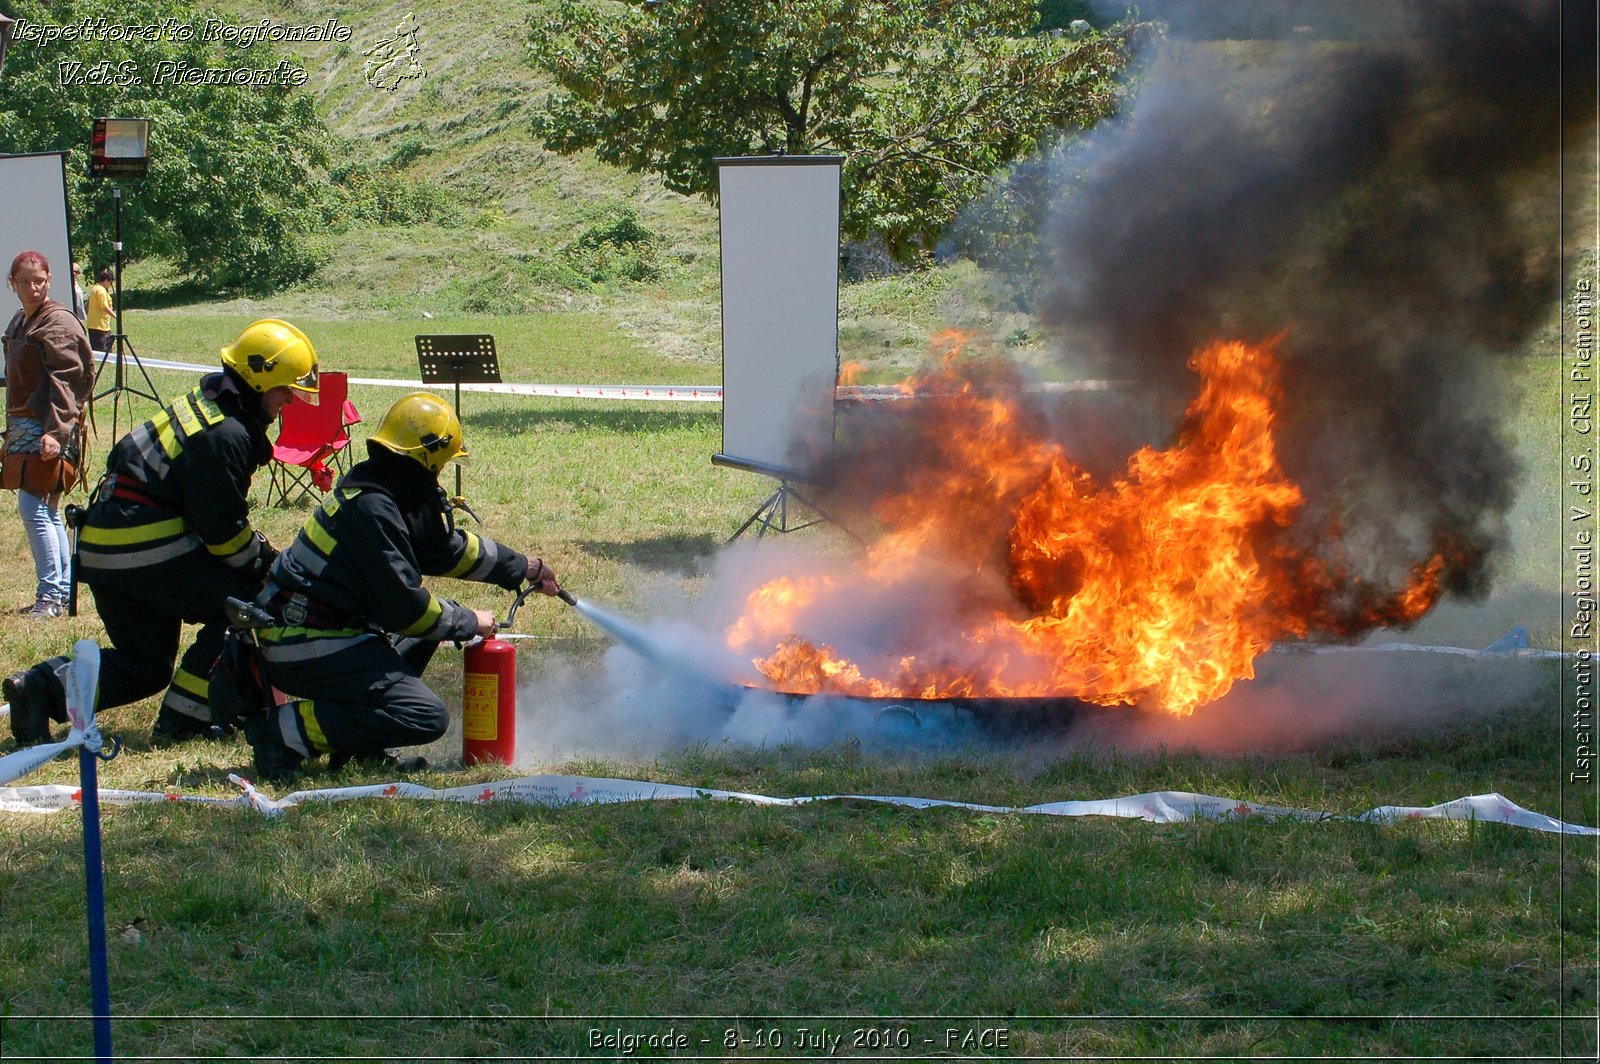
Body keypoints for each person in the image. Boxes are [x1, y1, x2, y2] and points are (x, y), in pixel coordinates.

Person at [3, 319, 319, 746]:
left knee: (145, 666)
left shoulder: (210, 404)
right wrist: (271, 565)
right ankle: (186, 719)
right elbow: (223, 534)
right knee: (250, 600)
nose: (291, 400)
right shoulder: (224, 433)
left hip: (106, 551)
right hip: (144, 551)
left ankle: (39, 688)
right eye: (285, 389)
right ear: (261, 380)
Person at [239, 391, 561, 780]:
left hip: (324, 630)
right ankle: (281, 732)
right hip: (301, 639)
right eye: (440, 465)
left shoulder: (387, 490)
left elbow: (445, 550)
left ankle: (360, 749)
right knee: (423, 715)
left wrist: (524, 568)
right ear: (424, 460)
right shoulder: (374, 510)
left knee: (433, 625)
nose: (441, 475)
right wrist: (467, 620)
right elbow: (405, 608)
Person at [3, 251, 94, 619]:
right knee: (48, 509)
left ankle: (50, 596)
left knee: (33, 508)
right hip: (28, 425)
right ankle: (60, 592)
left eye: (38, 280)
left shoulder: (58, 321)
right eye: (24, 281)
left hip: (49, 427)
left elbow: (70, 380)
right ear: (12, 283)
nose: (32, 287)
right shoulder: (23, 319)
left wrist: (56, 431)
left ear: (49, 279)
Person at [85, 267, 115, 356]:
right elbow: (105, 307)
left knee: (102, 347)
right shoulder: (101, 290)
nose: (110, 284)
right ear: (106, 280)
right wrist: (116, 316)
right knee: (102, 350)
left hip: (96, 324)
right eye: (110, 282)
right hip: (100, 325)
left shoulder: (96, 288)